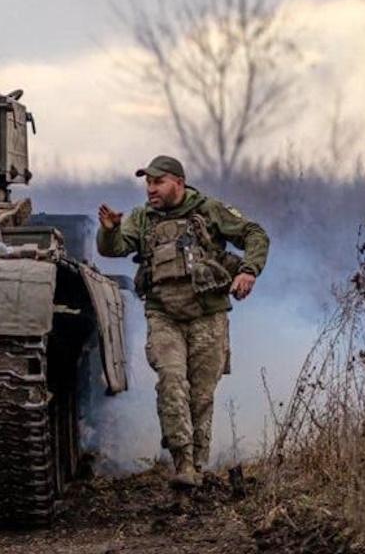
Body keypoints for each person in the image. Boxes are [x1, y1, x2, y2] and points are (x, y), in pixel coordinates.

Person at [96, 155, 269, 488]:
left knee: (201, 396)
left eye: (158, 182)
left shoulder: (208, 210)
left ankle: (198, 468)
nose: (151, 189)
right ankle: (183, 465)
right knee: (172, 381)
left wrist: (248, 271)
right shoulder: (142, 218)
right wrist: (110, 231)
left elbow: (255, 234)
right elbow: (114, 249)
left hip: (208, 315)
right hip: (163, 314)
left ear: (178, 182)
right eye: (147, 183)